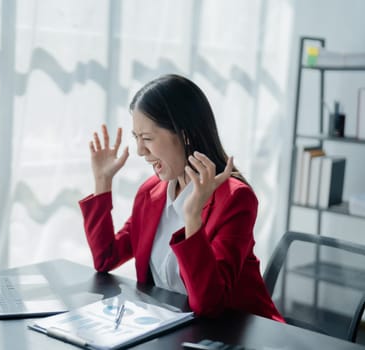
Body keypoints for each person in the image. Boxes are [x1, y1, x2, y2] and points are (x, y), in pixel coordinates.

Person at [78, 74, 284, 322]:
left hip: (237, 332)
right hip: (177, 327)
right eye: (136, 138)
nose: (140, 151)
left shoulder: (235, 198)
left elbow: (210, 303)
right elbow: (105, 259)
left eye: (147, 139)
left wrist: (192, 217)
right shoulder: (151, 192)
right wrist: (103, 182)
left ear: (184, 134)